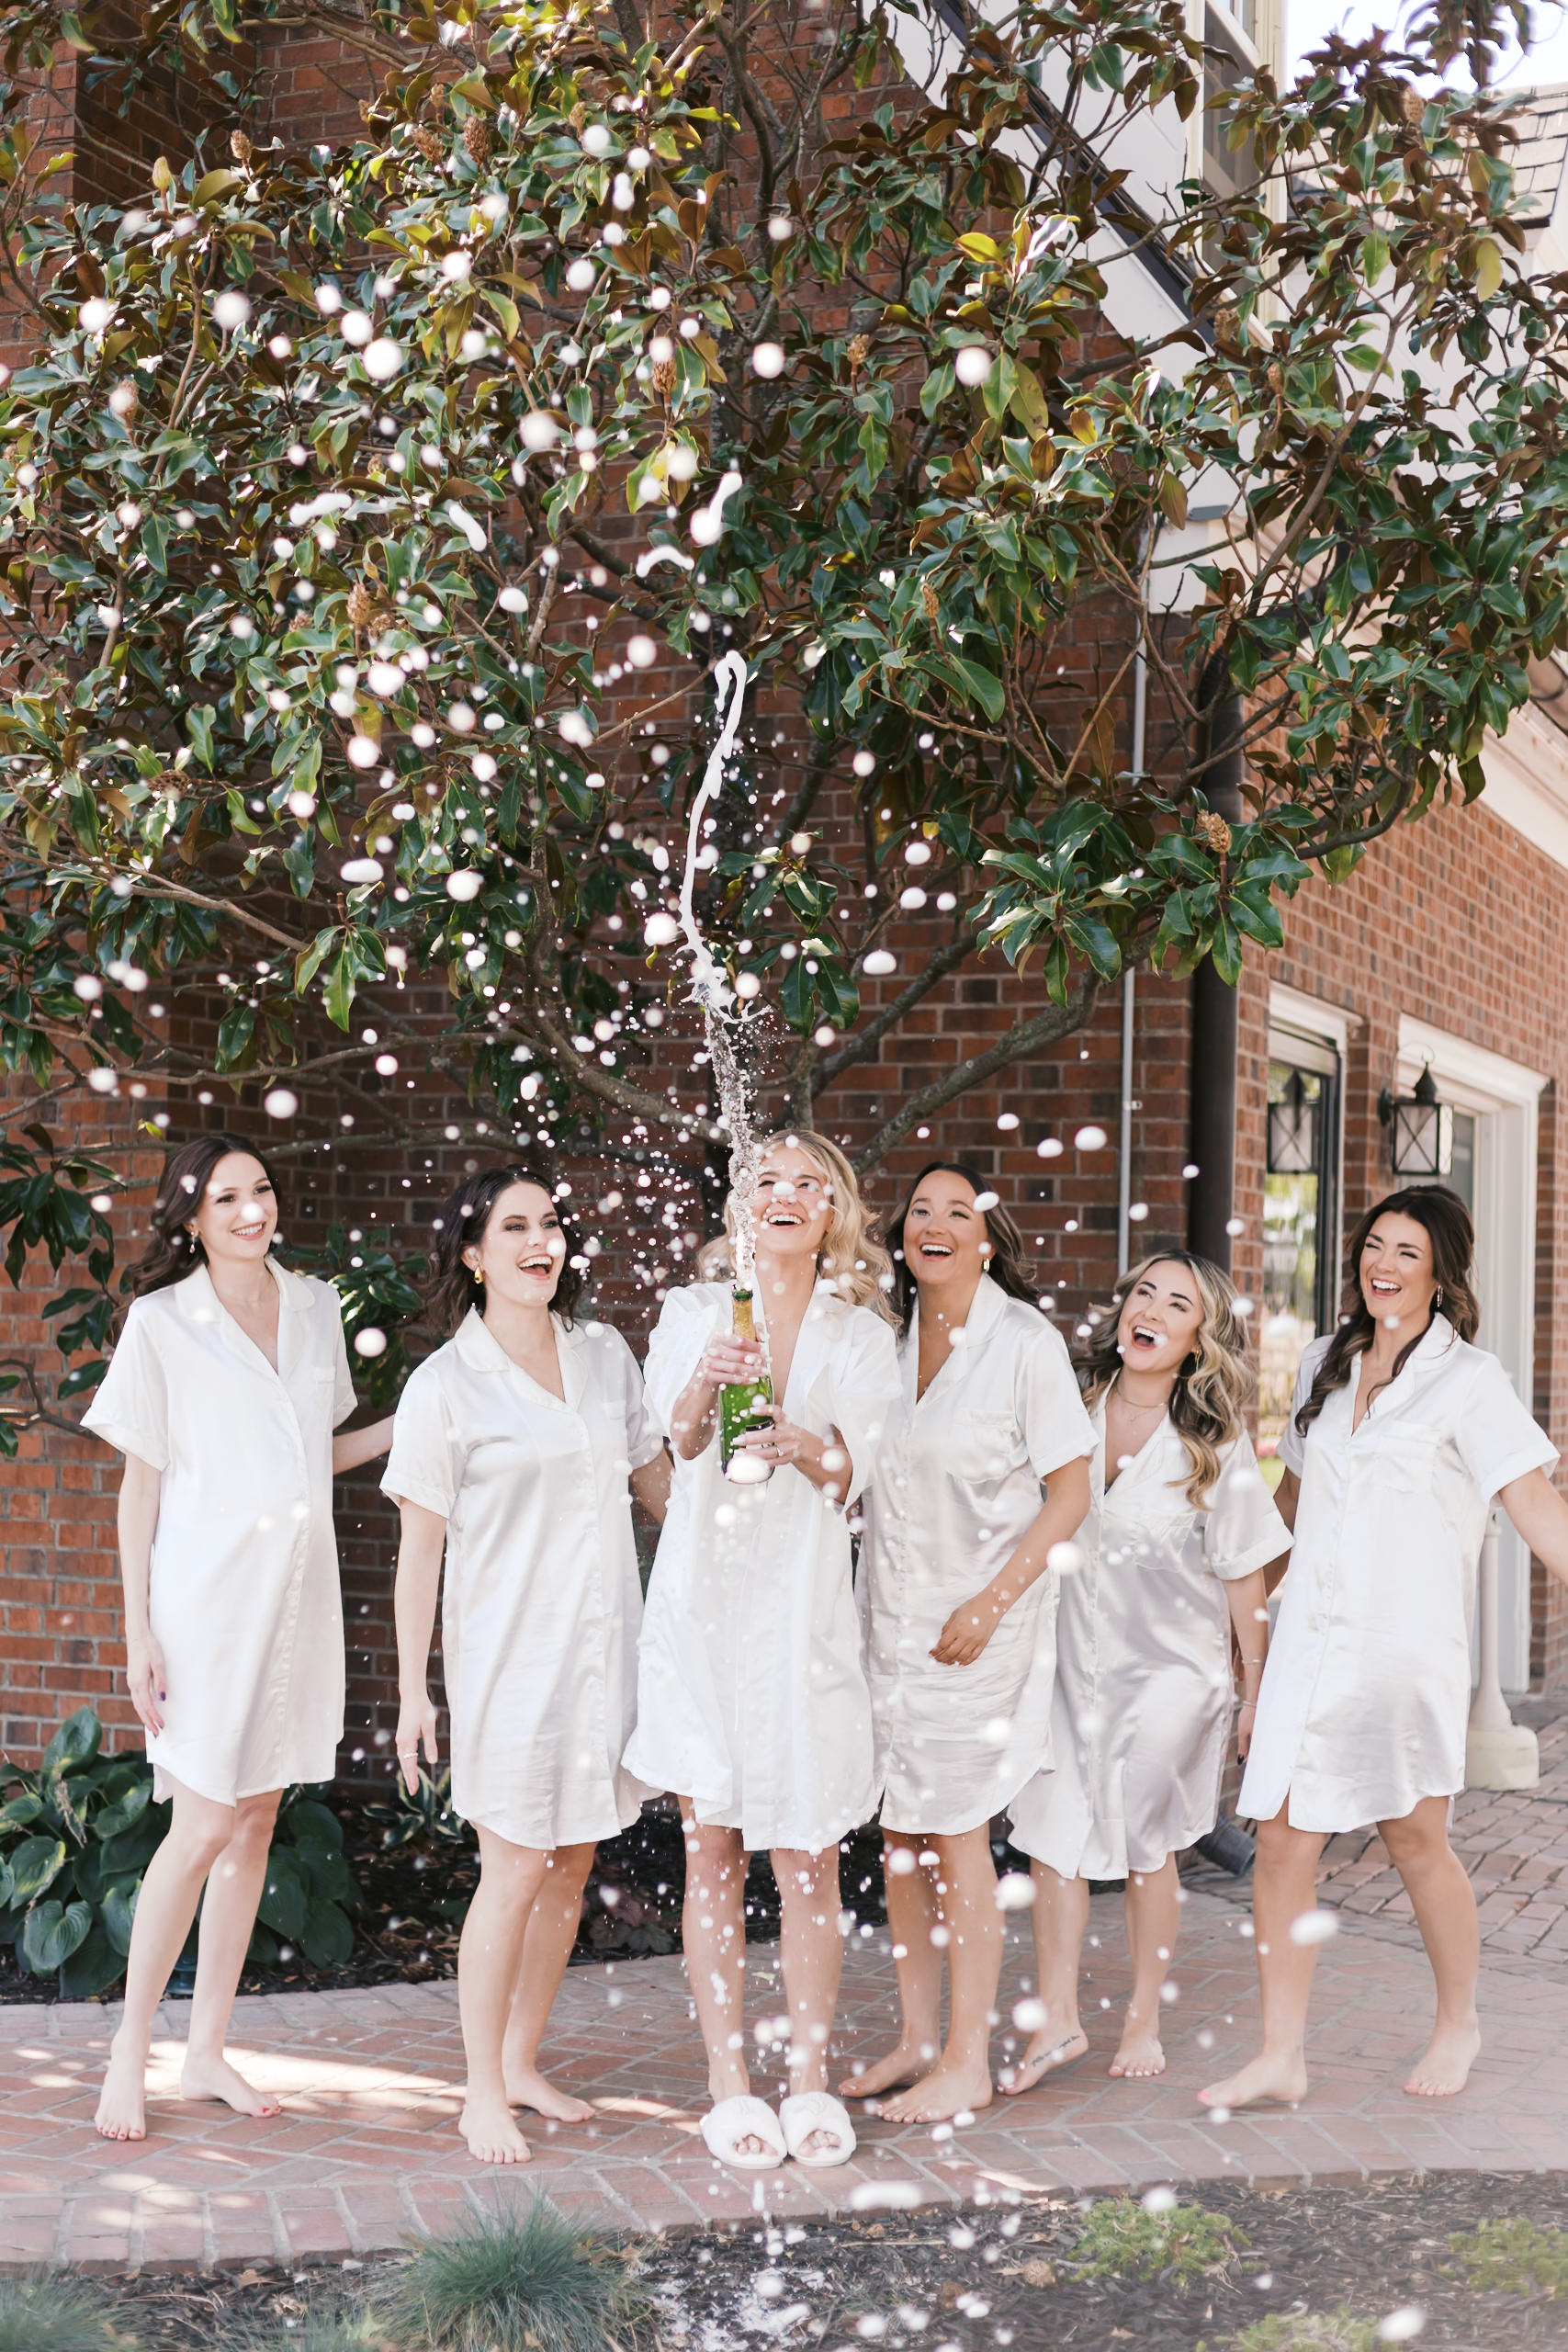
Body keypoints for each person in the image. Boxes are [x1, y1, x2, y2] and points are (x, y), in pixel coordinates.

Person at [1201, 1186, 1568, 2111]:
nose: (1385, 1264)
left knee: (1415, 1840)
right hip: (1306, 1644)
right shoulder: (1325, 1360)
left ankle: (1460, 2019)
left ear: (1440, 1271)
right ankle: (1281, 2051)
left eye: (1407, 1251)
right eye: (1374, 1246)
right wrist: (1237, 1600)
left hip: (1404, 1645)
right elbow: (1290, 1504)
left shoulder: (1470, 1380)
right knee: (1283, 1841)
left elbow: (1532, 1506)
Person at [84, 1134, 393, 2143]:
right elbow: (142, 1484)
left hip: (297, 1600)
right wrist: (136, 1626)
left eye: (260, 1191)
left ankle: (207, 2048)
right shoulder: (164, 1323)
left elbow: (317, 1453)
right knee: (203, 1824)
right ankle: (132, 2046)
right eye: (228, 1199)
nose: (253, 1211)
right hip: (203, 1605)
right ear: (192, 1217)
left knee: (256, 1820)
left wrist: (408, 1422)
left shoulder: (311, 1308)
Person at [626, 1129, 900, 2171]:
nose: (786, 1195)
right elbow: (680, 1439)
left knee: (809, 1855)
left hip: (799, 1616)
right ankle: (727, 2079)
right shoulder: (697, 1312)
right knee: (712, 1848)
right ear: (741, 1204)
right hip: (705, 1612)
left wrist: (802, 1443)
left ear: (834, 1210)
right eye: (766, 1180)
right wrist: (708, 1376)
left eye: (809, 1183)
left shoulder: (859, 1335)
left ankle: (811, 2079)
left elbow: (853, 1475)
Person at [387, 1163, 670, 2165]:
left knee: (574, 1858)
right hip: (507, 1660)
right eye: (513, 1226)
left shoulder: (602, 1354)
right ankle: (476, 2093)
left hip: (603, 1653)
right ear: (471, 1254)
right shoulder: (442, 1386)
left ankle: (519, 2059)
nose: (539, 1240)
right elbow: (420, 1550)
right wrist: (414, 1688)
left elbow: (658, 1489)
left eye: (549, 1223)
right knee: (511, 1867)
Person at [1002, 1252, 1287, 2092]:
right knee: (1053, 1835)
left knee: (1143, 1842)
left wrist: (1253, 1692)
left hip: (1171, 1677)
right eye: (1142, 1293)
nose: (1150, 1309)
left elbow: (1245, 1575)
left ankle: (1142, 2018)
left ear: (1199, 1338)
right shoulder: (1066, 1411)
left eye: (1176, 1303)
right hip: (1062, 1662)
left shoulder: (1210, 1447)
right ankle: (1057, 2020)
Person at [847, 1162, 1094, 2122]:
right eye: (920, 1211)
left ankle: (966, 2057)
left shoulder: (1023, 1342)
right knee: (902, 1835)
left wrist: (992, 1602)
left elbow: (1071, 1492)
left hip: (984, 1627)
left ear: (988, 1240)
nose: (936, 1224)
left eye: (959, 1212)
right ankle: (917, 2038)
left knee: (956, 1835)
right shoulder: (886, 1341)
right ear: (902, 1235)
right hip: (896, 1623)